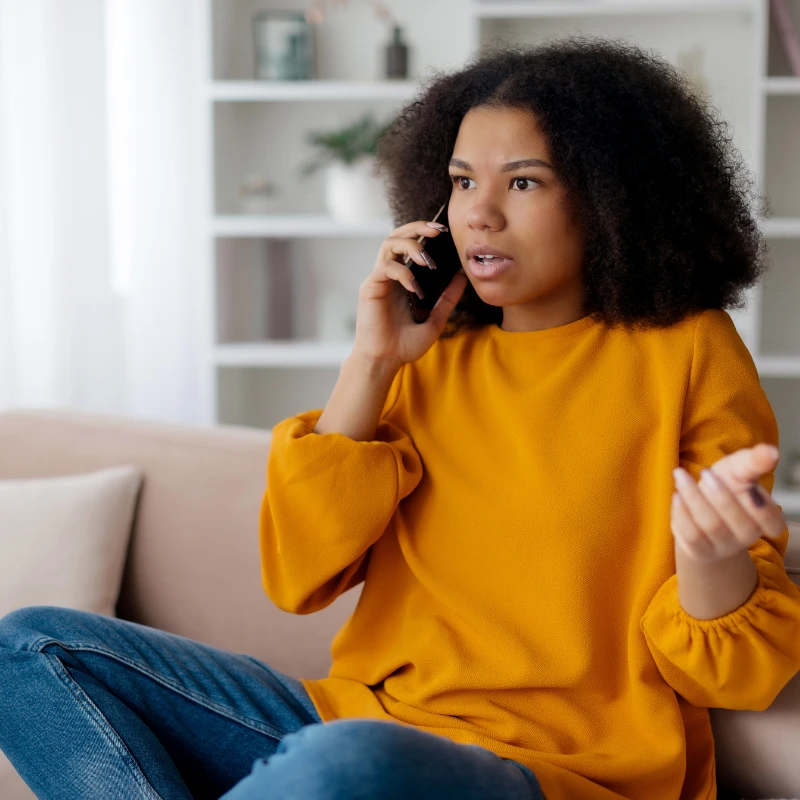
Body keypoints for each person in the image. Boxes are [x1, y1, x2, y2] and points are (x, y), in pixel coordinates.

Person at [2, 35, 800, 800]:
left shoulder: (684, 351)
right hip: (352, 723)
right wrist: (371, 363)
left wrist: (706, 556)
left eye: (523, 182)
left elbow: (737, 674)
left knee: (348, 761)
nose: (477, 214)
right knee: (26, 645)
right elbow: (299, 576)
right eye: (460, 182)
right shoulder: (429, 354)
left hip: (555, 767)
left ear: (611, 199)